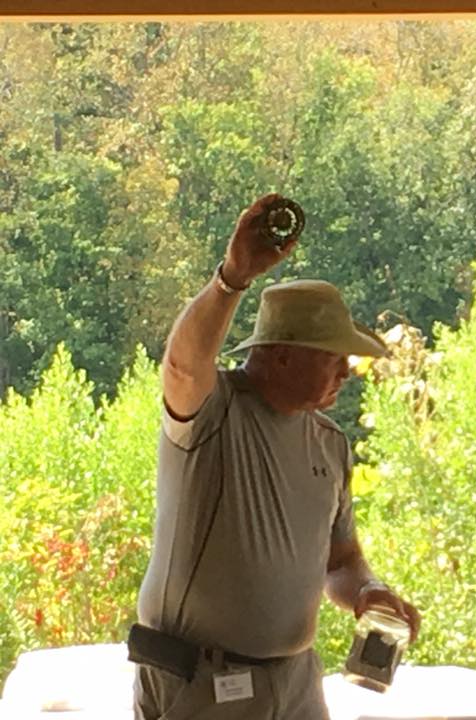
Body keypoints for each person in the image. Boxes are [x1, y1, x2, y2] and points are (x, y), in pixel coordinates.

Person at [130, 194, 420, 720]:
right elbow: (181, 365)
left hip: (296, 683)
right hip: (201, 680)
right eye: (334, 357)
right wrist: (232, 278)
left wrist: (369, 592)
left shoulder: (330, 443)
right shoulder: (213, 413)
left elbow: (340, 561)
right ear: (282, 354)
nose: (347, 372)